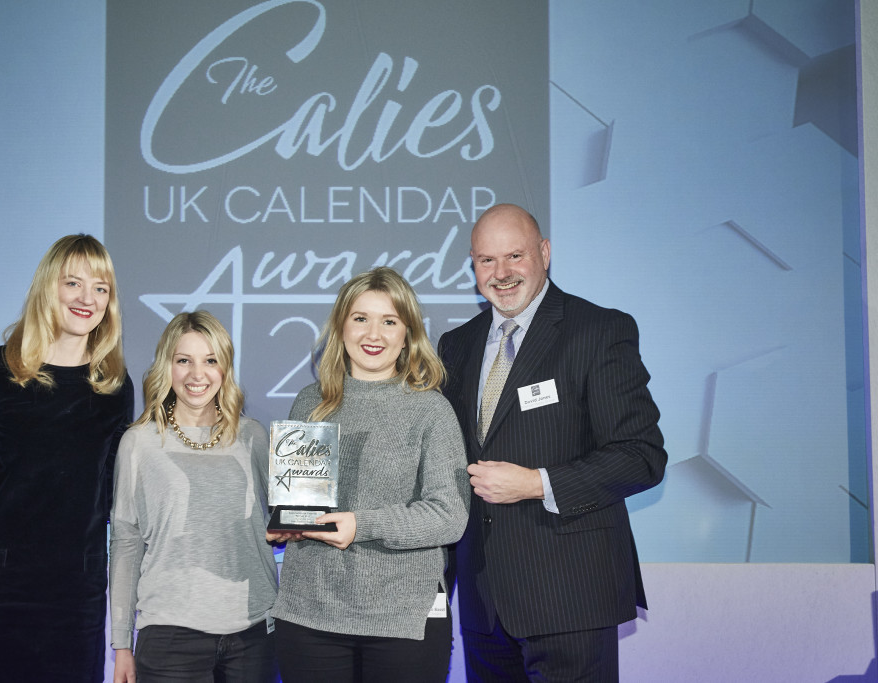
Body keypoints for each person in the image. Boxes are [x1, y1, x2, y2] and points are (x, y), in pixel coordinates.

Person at [438, 204, 667, 683]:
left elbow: (641, 457)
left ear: (544, 253)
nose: (501, 274)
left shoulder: (599, 330)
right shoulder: (455, 345)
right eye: (486, 261)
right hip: (484, 605)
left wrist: (538, 483)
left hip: (571, 598)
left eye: (514, 256)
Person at [0, 234, 134, 681]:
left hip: (75, 606)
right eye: (73, 283)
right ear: (48, 288)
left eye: (100, 288)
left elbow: (120, 502)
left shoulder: (114, 387)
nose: (87, 299)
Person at [267, 266, 471, 683]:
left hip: (402, 620)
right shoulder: (310, 402)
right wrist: (285, 523)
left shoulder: (431, 410)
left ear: (408, 333)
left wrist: (361, 524)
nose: (373, 334)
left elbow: (449, 516)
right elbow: (299, 502)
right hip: (309, 614)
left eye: (389, 321)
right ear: (341, 326)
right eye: (360, 318)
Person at [109, 311, 279, 683]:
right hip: (170, 633)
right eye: (183, 360)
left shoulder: (254, 437)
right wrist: (121, 643)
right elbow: (125, 543)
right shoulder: (139, 443)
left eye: (210, 360)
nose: (196, 375)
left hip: (253, 630)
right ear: (166, 367)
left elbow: (279, 522)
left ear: (225, 368)